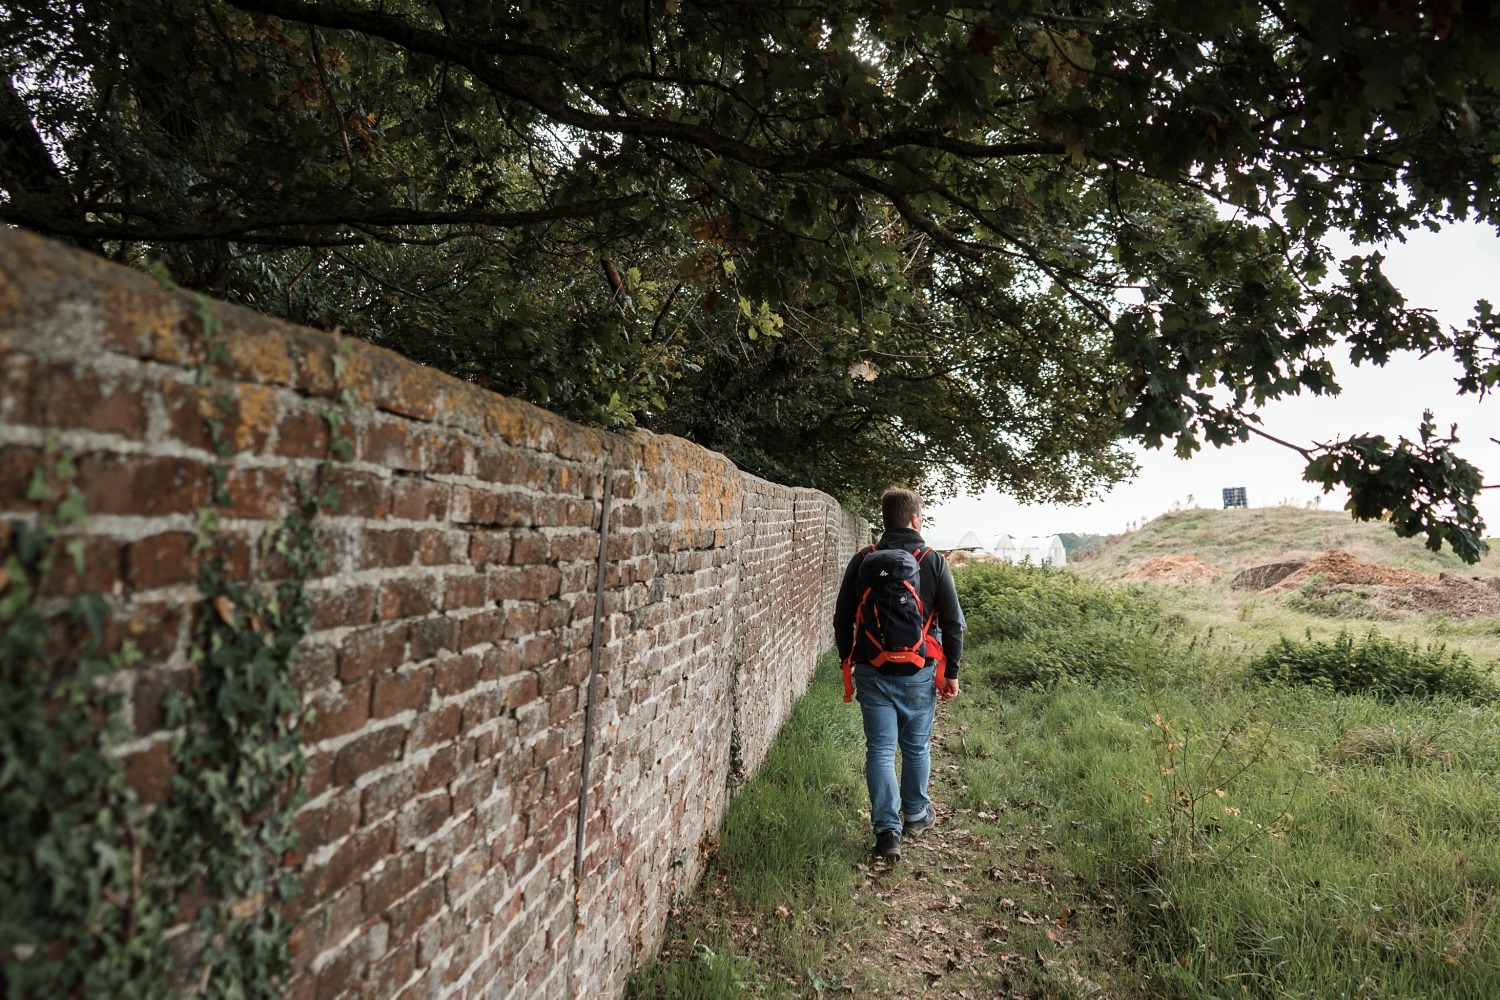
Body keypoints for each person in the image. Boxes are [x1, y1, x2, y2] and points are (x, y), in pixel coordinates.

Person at [833, 487, 965, 862]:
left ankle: (887, 831)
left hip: (871, 669)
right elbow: (953, 624)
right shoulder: (933, 561)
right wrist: (951, 672)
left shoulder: (864, 559)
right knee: (915, 746)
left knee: (879, 749)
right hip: (919, 671)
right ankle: (917, 816)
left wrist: (850, 662)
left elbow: (842, 619)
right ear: (915, 519)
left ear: (885, 519)